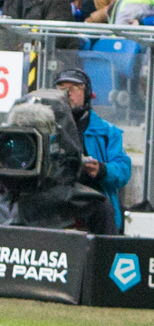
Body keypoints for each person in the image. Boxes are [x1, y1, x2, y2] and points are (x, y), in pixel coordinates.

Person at [49, 68, 129, 234]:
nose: (68, 92)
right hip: (53, 195)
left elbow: (123, 170)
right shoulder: (43, 126)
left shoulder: (107, 132)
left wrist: (102, 170)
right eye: (62, 87)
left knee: (102, 209)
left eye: (75, 87)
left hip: (91, 198)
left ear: (87, 94)